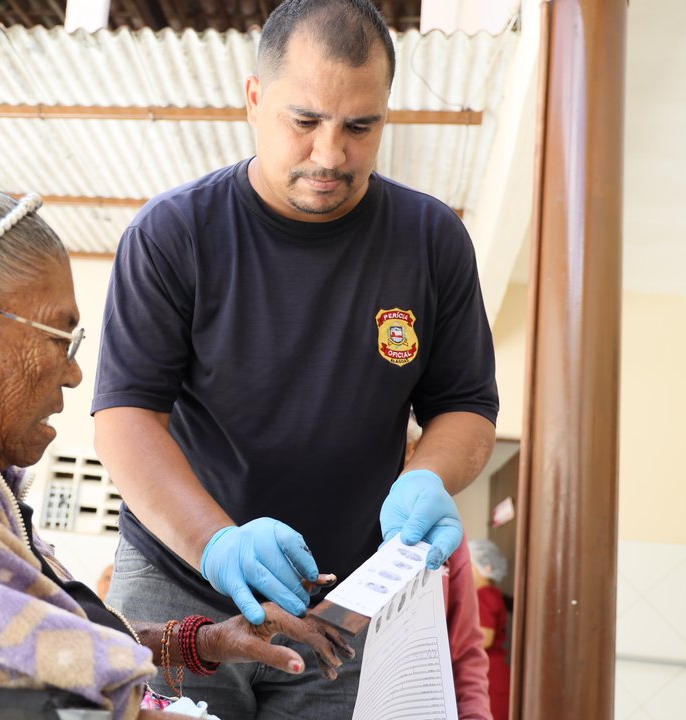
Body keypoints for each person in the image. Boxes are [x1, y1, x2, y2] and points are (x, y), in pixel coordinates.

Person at [0, 158, 353, 720]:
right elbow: (36, 675)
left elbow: (39, 633)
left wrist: (204, 642)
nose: (73, 373)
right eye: (57, 338)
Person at [91, 0, 499, 716]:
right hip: (175, 581)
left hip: (345, 602)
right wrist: (216, 543)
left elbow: (464, 406)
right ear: (255, 99)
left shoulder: (432, 241)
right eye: (305, 121)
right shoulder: (173, 234)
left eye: (360, 127)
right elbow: (125, 418)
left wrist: (429, 476)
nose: (331, 155)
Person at [469, 539, 512, 720]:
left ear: (486, 568)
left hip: (489, 675)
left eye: (470, 565)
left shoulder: (483, 596)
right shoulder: (492, 594)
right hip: (494, 673)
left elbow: (485, 639)